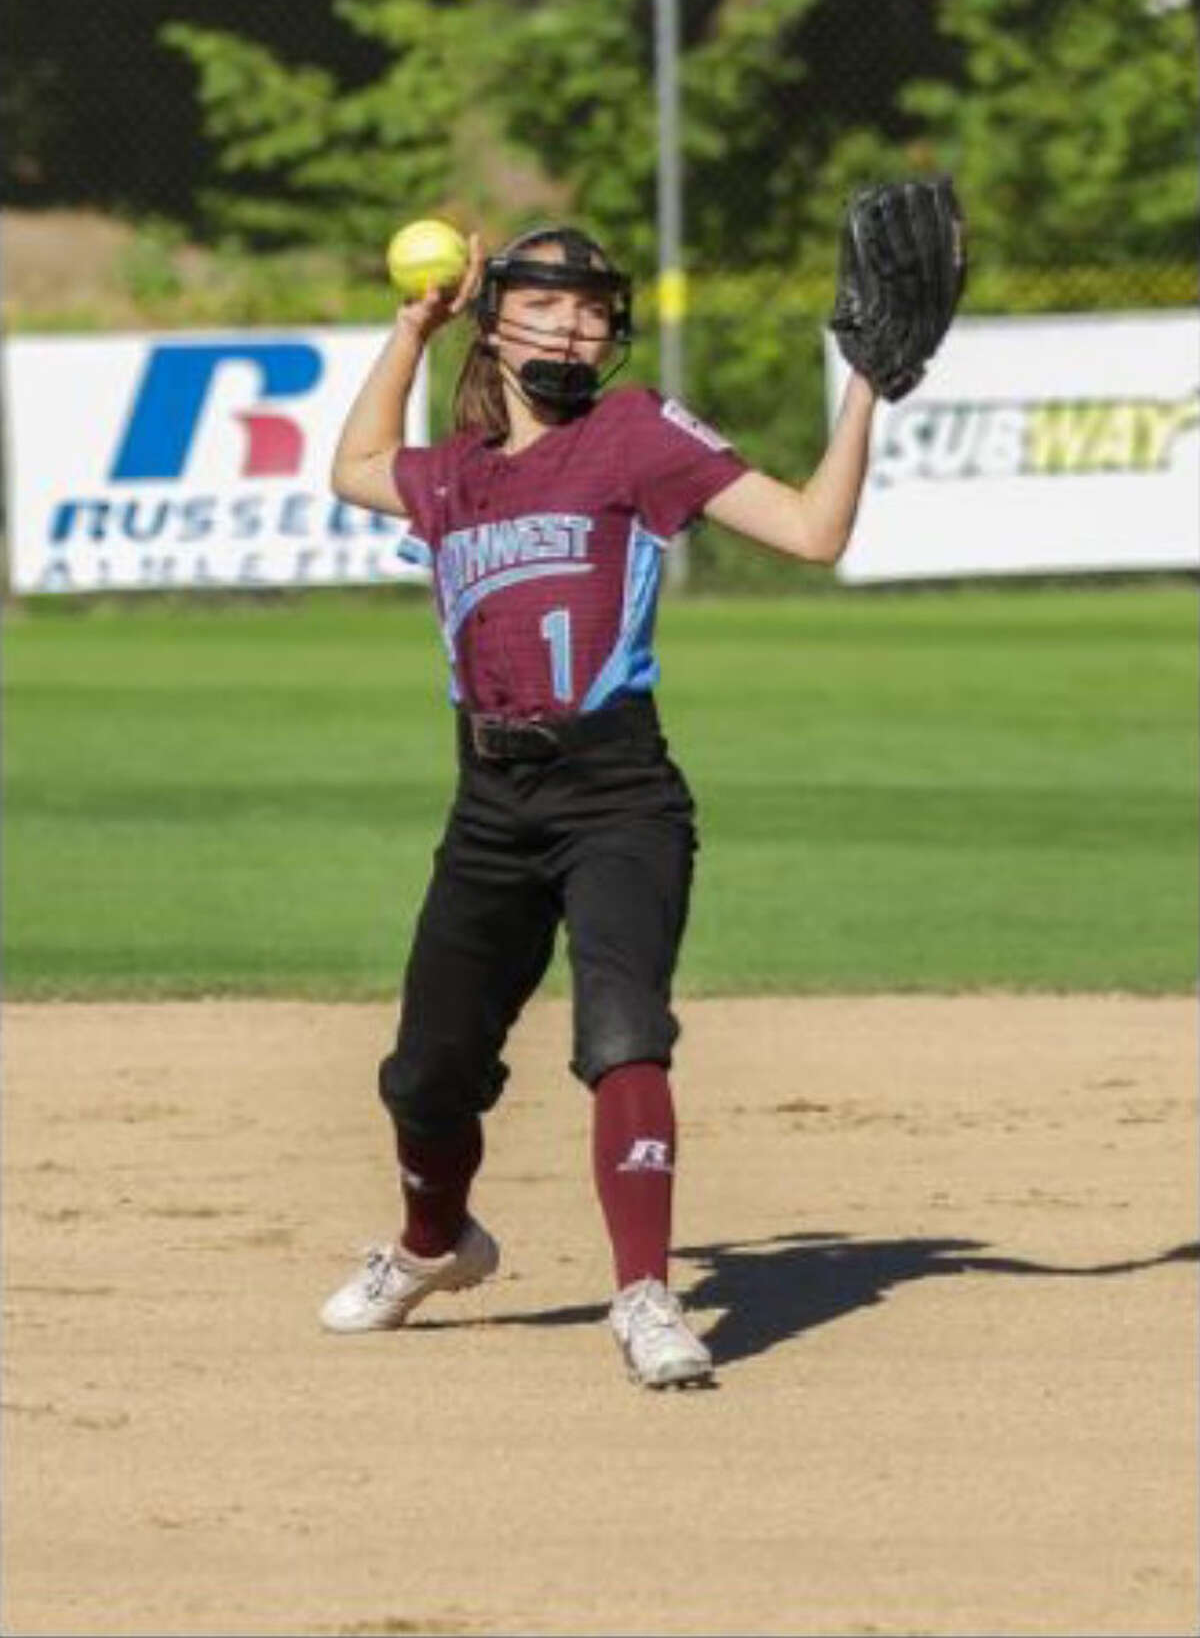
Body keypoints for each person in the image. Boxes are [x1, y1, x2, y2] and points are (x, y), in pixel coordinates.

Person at [322, 223, 878, 1388]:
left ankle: (644, 1293)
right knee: (426, 1074)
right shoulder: (460, 471)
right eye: (545, 303)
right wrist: (411, 327)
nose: (574, 326)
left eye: (591, 308)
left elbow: (814, 534)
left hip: (616, 791)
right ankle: (434, 1248)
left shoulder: (633, 434)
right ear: (494, 319)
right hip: (489, 801)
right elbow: (354, 467)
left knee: (623, 1032)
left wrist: (866, 387)